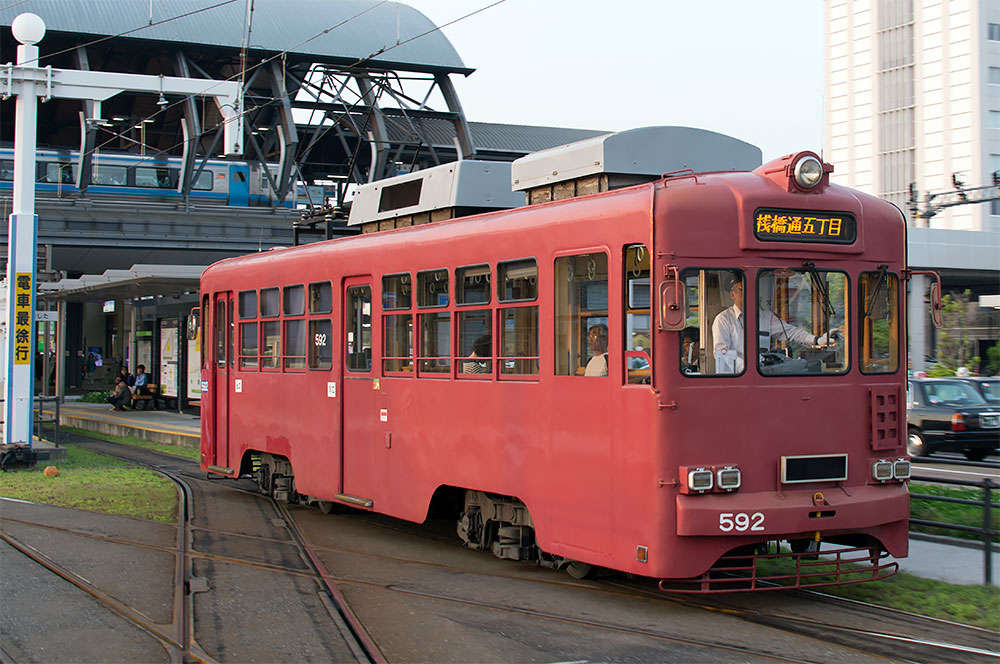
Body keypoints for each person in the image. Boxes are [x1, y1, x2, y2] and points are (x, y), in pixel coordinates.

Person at [712, 276, 838, 374]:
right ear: (732, 294)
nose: (746, 292)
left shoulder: (765, 316)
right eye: (741, 289)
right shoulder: (723, 320)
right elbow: (722, 352)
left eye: (749, 288)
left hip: (762, 375)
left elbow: (790, 332)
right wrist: (747, 368)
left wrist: (817, 340)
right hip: (736, 380)